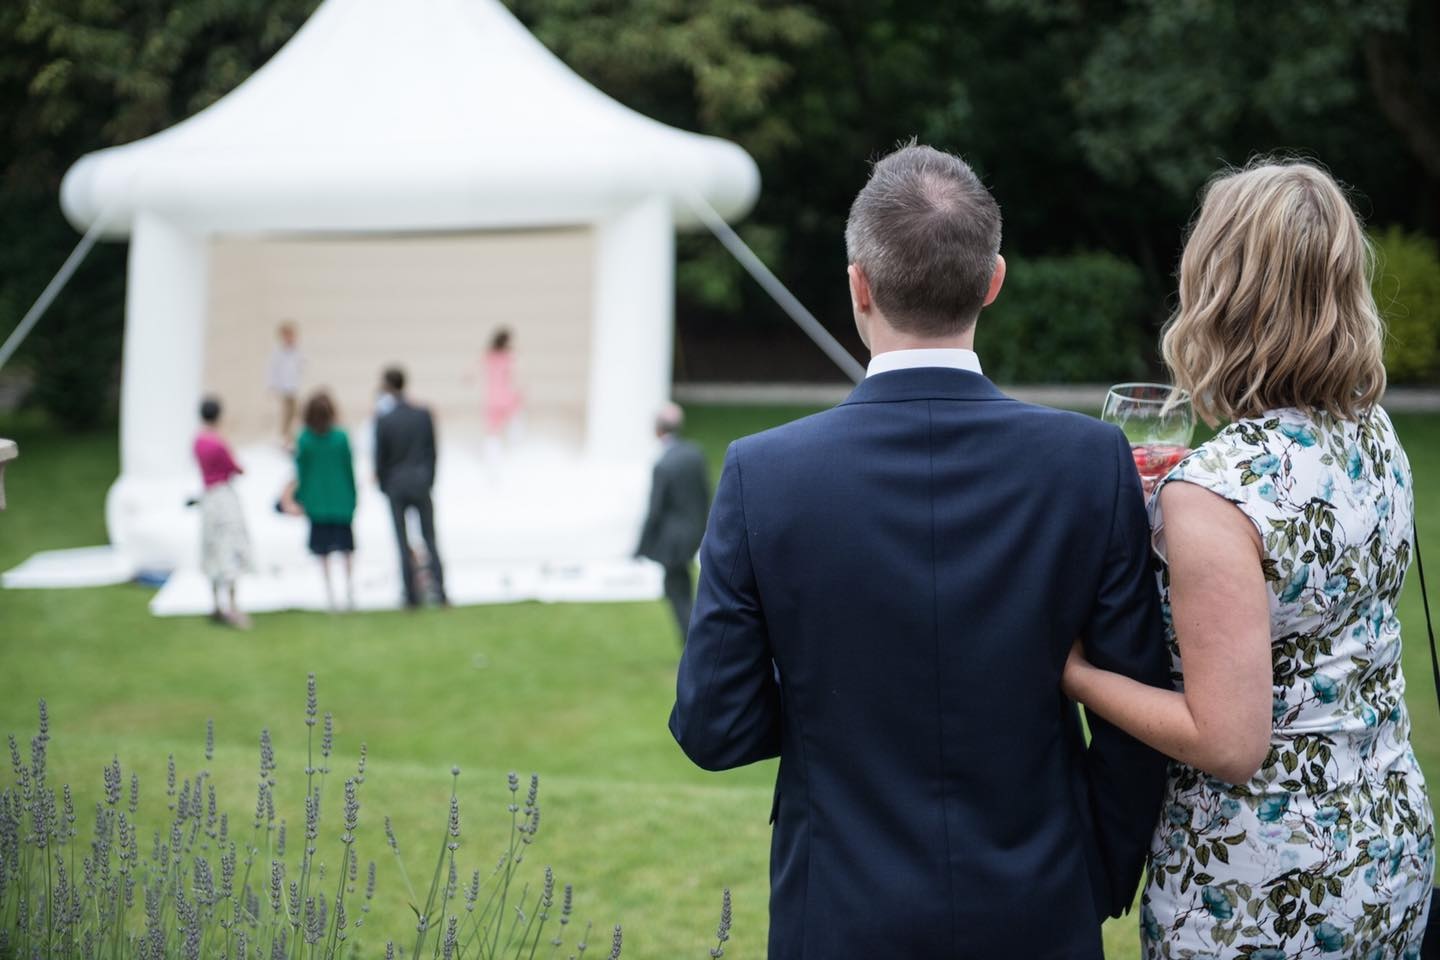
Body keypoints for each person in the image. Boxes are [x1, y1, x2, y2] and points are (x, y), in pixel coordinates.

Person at [669, 143, 1170, 958]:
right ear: (994, 280)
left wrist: (832, 703)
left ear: (857, 286)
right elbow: (1134, 712)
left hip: (837, 915)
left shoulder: (766, 474)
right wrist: (1099, 878)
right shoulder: (1088, 462)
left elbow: (713, 726)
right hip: (1039, 908)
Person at [1063, 160, 1435, 955]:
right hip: (1388, 845)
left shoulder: (1215, 492)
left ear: (1216, 293)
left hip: (1260, 894)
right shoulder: (1372, 432)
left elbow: (1229, 741)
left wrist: (1075, 672)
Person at [635, 403, 710, 643]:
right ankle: (694, 641)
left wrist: (639, 548)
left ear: (657, 431)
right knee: (682, 588)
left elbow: (654, 511)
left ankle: (692, 643)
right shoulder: (695, 454)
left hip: (674, 541)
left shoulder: (663, 465)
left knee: (677, 592)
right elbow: (705, 493)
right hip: (696, 533)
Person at [374, 366, 447, 608]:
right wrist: (429, 478)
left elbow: (380, 459)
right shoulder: (421, 414)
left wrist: (386, 485)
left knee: (403, 541)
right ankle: (440, 591)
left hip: (397, 485)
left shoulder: (384, 420)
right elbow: (432, 452)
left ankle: (411, 596)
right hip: (419, 482)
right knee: (429, 538)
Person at [286, 390, 357, 612]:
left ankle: (331, 596)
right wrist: (353, 496)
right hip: (341, 499)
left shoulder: (305, 439)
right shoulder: (340, 437)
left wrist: (301, 498)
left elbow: (301, 472)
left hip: (317, 502)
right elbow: (349, 470)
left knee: (323, 551)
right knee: (346, 549)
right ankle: (349, 592)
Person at [193, 396, 253, 628]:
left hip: (209, 498)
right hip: (223, 499)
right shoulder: (218, 443)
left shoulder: (197, 442)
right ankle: (232, 607)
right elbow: (236, 468)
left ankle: (216, 604)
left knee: (212, 548)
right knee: (229, 548)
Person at [484, 327, 522, 449]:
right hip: (506, 394)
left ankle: (493, 454)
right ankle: (514, 444)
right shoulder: (509, 356)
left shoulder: (488, 355)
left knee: (493, 429)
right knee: (514, 419)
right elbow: (514, 376)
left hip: (492, 396)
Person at [267, 321, 304, 445]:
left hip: (294, 386)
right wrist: (272, 386)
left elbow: (299, 366)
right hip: (284, 388)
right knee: (288, 413)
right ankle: (284, 437)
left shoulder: (296, 350)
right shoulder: (278, 353)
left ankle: (289, 436)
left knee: (295, 412)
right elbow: (273, 370)